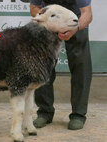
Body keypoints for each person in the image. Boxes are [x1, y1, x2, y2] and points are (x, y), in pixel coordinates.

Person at [30, 0, 93, 130]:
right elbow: (34, 8)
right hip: (50, 23)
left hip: (75, 21)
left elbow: (87, 13)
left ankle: (78, 115)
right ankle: (44, 112)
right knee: (42, 66)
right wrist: (46, 18)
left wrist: (75, 28)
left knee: (81, 66)